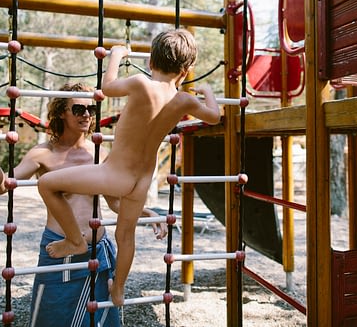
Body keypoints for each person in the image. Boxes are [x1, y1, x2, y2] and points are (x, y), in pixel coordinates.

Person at [37, 28, 221, 307]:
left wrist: (116, 55)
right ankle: (119, 289)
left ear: (150, 63)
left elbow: (107, 87)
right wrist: (207, 92)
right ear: (185, 72)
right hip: (141, 182)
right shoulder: (184, 99)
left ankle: (75, 240)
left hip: (115, 175)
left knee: (47, 184)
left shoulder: (140, 83)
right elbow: (214, 117)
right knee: (126, 234)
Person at [0, 82, 167, 327]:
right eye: (78, 109)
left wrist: (149, 213)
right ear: (61, 112)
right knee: (53, 317)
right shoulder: (42, 153)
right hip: (59, 248)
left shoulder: (100, 153)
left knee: (100, 319)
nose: (86, 114)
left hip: (99, 250)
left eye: (91, 110)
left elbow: (116, 202)